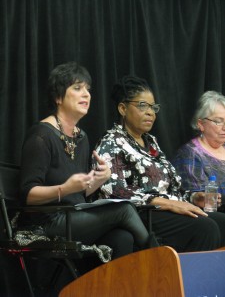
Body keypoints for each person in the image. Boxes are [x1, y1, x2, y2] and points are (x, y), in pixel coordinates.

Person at [19, 62, 154, 268]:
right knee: (124, 209)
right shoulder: (41, 135)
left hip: (73, 217)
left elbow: (79, 193)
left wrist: (99, 179)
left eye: (88, 90)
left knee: (122, 238)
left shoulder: (81, 137)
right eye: (77, 88)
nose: (86, 95)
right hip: (46, 223)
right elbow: (28, 195)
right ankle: (158, 258)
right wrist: (65, 189)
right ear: (58, 97)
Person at [94, 75, 225, 252]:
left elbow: (171, 188)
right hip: (141, 215)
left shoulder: (151, 142)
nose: (150, 113)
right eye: (142, 106)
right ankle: (185, 279)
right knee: (205, 228)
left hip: (166, 210)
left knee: (221, 221)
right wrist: (169, 204)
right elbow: (114, 192)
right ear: (123, 108)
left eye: (153, 107)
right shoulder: (111, 142)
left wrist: (193, 198)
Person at [171, 90, 225, 208]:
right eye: (218, 121)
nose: (224, 127)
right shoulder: (189, 154)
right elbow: (203, 202)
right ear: (201, 124)